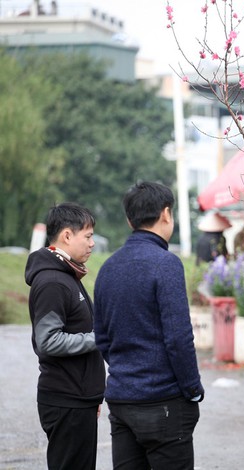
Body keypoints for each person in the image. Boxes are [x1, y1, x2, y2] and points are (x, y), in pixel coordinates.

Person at [93, 181, 205, 470]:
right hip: (163, 401)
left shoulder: (107, 267)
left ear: (130, 220)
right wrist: (192, 388)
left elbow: (102, 338)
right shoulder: (165, 263)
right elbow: (178, 337)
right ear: (166, 214)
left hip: (121, 400)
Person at [25, 202, 106, 470]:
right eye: (88, 236)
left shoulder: (66, 276)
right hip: (66, 401)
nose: (93, 243)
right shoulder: (52, 281)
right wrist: (99, 337)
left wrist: (92, 395)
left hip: (78, 400)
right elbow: (48, 342)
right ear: (67, 236)